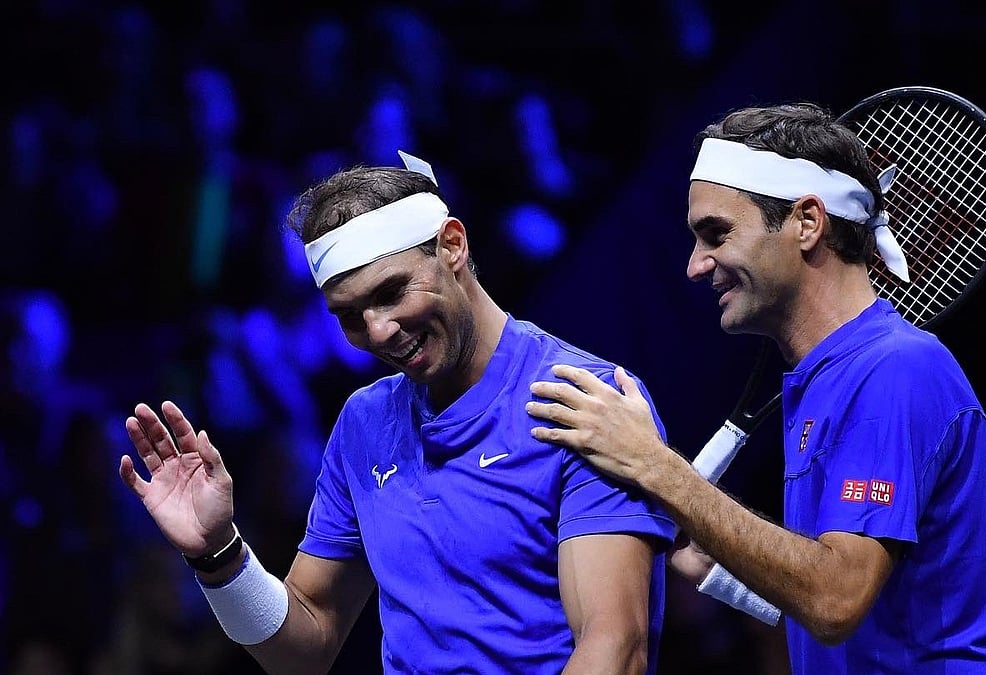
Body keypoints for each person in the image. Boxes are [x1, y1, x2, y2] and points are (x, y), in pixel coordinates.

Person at [118, 151, 677, 674]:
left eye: (391, 293)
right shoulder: (365, 422)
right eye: (351, 315)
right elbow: (305, 647)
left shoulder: (588, 401)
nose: (379, 331)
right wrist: (219, 553)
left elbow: (615, 649)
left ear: (452, 245)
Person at [525, 101, 986, 673]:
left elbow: (836, 599)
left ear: (807, 224)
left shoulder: (894, 369)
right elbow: (859, 616)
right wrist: (720, 567)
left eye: (716, 233)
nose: (695, 265)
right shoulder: (828, 379)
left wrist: (658, 469)